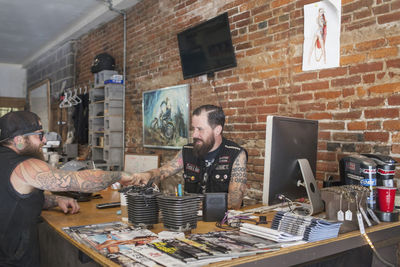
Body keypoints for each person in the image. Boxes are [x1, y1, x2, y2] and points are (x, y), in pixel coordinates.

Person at [0, 111, 133, 267]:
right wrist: (121, 175)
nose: (44, 141)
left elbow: (13, 198)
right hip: (12, 258)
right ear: (19, 140)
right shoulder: (25, 165)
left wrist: (55, 200)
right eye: (39, 135)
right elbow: (81, 181)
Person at [132, 105, 248, 209]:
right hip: (191, 220)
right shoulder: (188, 151)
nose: (194, 134)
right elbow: (164, 171)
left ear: (217, 130)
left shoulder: (236, 154)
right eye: (194, 128)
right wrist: (147, 175)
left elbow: (234, 202)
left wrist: (188, 203)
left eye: (200, 129)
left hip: (221, 222)